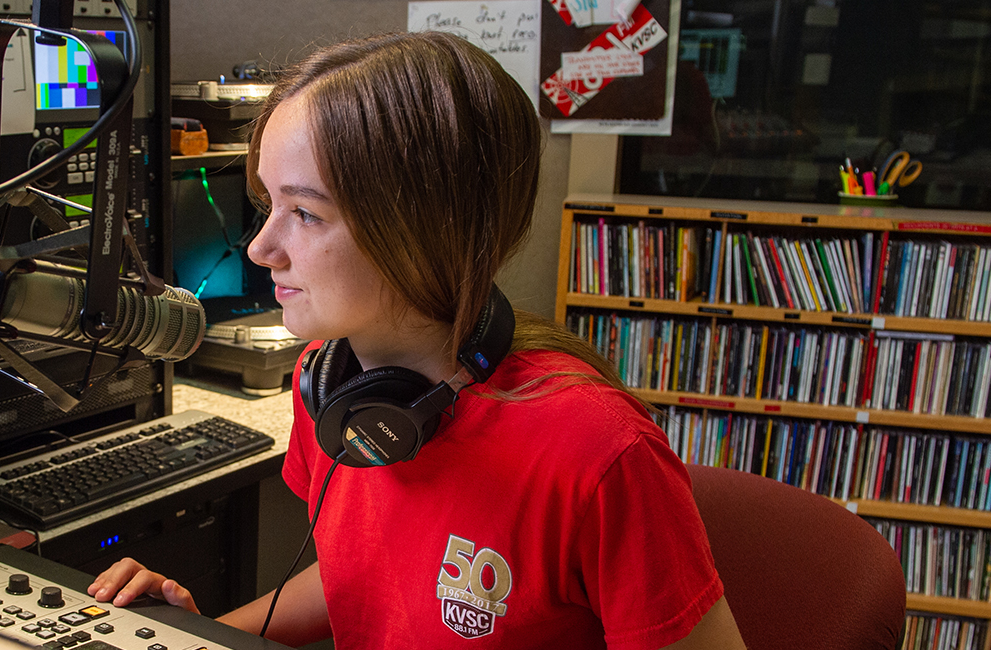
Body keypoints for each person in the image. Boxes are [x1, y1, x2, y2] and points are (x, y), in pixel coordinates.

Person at [88, 31, 746, 649]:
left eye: (307, 214)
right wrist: (205, 636)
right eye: (268, 208)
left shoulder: (599, 453)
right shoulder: (328, 384)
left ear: (426, 228)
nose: (261, 249)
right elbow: (361, 575)